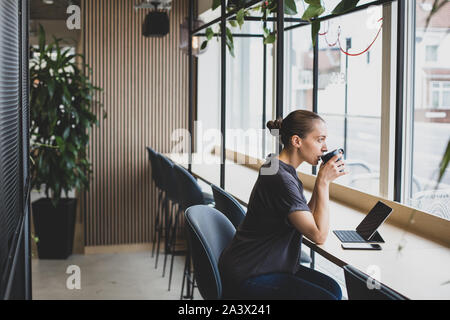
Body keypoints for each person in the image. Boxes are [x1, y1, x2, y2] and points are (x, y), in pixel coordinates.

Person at [218, 110, 347, 300]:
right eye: (320, 139)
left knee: (334, 289)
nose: (325, 148)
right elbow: (318, 235)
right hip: (251, 274)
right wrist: (323, 182)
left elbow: (303, 216)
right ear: (297, 141)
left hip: (260, 265)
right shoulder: (281, 179)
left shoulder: (277, 166)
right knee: (328, 297)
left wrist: (321, 182)